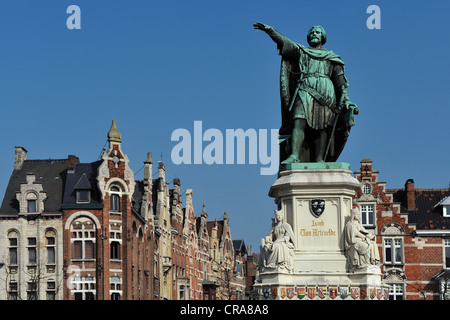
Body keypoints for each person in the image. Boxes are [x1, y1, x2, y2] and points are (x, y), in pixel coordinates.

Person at [253, 22, 358, 164]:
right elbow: (285, 42)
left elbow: (341, 84)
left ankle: (319, 159)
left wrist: (346, 100)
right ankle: (294, 155)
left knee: (322, 127)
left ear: (323, 37)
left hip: (326, 94)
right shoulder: (302, 51)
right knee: (299, 120)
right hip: (305, 89)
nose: (314, 34)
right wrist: (271, 31)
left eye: (318, 32)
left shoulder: (332, 58)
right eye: (312, 32)